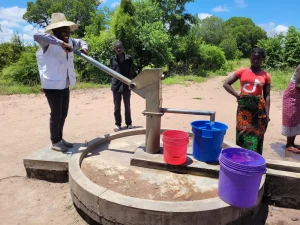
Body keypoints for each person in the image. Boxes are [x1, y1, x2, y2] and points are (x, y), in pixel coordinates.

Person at [34, 13, 88, 152]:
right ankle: (55, 141)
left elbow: (81, 41)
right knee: (56, 113)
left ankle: (60, 138)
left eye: (68, 31)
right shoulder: (47, 42)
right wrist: (60, 43)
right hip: (51, 85)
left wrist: (84, 47)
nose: (68, 34)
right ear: (56, 31)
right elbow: (37, 35)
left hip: (64, 83)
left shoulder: (70, 41)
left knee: (63, 113)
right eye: (64, 31)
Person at [223, 48, 271, 154]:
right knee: (242, 132)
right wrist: (238, 96)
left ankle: (254, 159)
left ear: (263, 59)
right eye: (253, 58)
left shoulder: (266, 75)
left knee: (257, 133)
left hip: (259, 108)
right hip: (244, 108)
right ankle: (241, 159)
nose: (255, 61)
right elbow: (226, 84)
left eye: (258, 58)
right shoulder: (242, 71)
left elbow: (267, 95)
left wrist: (267, 113)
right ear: (250, 57)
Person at [110, 41, 136, 132]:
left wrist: (132, 83)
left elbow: (132, 71)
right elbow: (111, 71)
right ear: (114, 49)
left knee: (127, 106)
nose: (118, 49)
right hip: (116, 86)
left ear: (122, 48)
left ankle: (129, 123)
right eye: (116, 48)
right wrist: (113, 82)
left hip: (126, 85)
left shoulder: (129, 58)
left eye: (120, 47)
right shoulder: (112, 58)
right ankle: (118, 124)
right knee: (117, 107)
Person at [282, 66, 300, 153]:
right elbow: (297, 85)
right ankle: (289, 145)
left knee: (296, 119)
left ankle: (292, 143)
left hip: (298, 97)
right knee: (291, 118)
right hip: (291, 96)